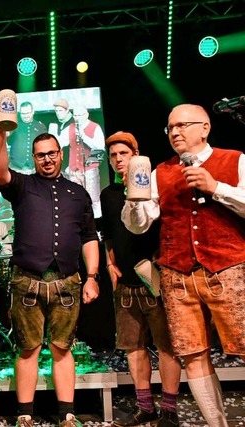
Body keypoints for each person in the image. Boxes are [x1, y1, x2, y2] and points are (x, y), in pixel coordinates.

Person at [122, 104, 245, 427]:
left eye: (182, 125)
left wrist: (216, 187)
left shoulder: (234, 160)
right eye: (170, 128)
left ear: (204, 128)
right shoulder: (159, 171)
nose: (175, 133)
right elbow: (138, 225)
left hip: (228, 268)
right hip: (177, 273)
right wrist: (134, 202)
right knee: (192, 353)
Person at [0, 130, 100, 427]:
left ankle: (67, 414)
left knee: (62, 348)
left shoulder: (78, 194)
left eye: (52, 153)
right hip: (27, 281)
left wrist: (92, 276)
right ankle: (24, 414)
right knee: (28, 348)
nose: (47, 159)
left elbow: (90, 238)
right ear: (34, 158)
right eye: (40, 155)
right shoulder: (24, 185)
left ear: (60, 153)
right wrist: (1, 132)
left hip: (68, 282)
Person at [101, 132, 181, 427]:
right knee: (134, 347)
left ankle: (169, 410)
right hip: (126, 283)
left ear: (135, 154)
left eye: (124, 153)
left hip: (156, 279)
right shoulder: (108, 194)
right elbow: (109, 233)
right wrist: (110, 264)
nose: (119, 159)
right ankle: (145, 406)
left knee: (166, 346)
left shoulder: (155, 186)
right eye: (113, 155)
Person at [62, 104, 106, 218]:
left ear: (86, 115)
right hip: (74, 171)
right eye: (75, 115)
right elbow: (60, 143)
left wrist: (84, 137)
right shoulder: (70, 128)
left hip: (89, 170)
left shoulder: (95, 127)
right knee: (75, 199)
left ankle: (97, 225)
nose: (77, 118)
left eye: (79, 115)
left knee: (93, 199)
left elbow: (100, 146)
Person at [8, 101, 47, 174]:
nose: (25, 116)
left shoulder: (40, 126)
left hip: (35, 168)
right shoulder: (14, 125)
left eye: (28, 113)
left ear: (33, 112)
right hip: (16, 168)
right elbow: (6, 137)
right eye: (23, 113)